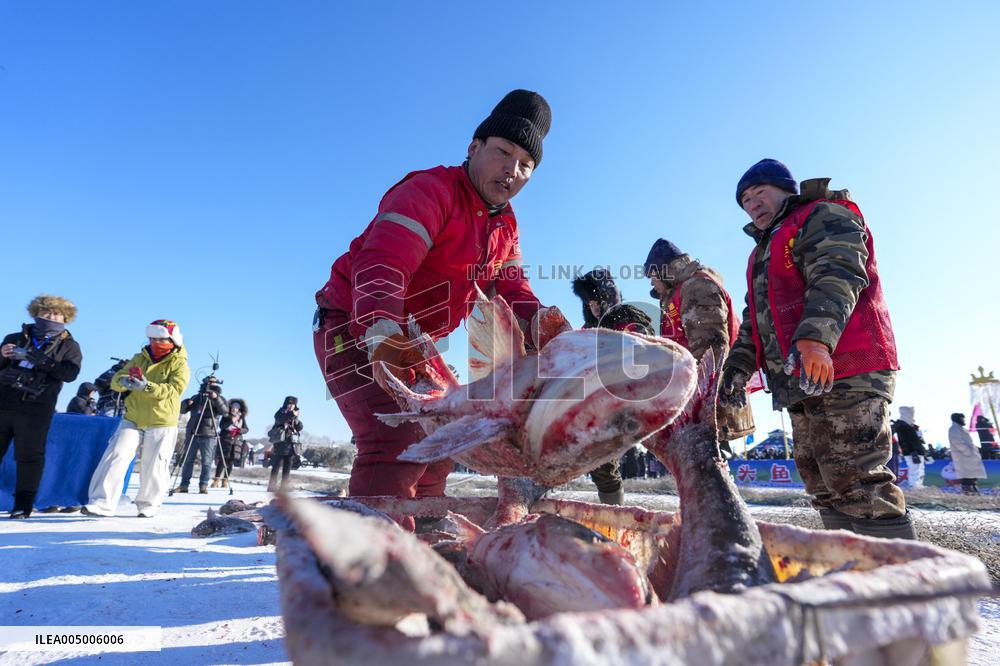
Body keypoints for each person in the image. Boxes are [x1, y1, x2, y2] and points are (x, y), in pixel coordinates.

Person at [312, 89, 571, 515]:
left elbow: (510, 287)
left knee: (442, 439)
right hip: (352, 324)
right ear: (474, 147)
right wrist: (381, 329)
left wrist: (542, 324)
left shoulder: (504, 225)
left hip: (417, 342)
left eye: (526, 165)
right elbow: (384, 262)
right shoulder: (431, 191)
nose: (513, 170)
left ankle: (430, 539)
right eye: (504, 152)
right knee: (395, 441)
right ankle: (368, 562)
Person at [721, 159, 914, 539]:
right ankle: (848, 573)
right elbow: (754, 319)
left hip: (844, 366)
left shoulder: (820, 214)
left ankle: (898, 584)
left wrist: (816, 338)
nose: (753, 204)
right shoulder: (762, 251)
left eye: (760, 193)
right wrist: (737, 368)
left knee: (857, 477)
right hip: (798, 377)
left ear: (786, 189)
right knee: (821, 482)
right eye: (745, 201)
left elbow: (838, 272)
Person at [644, 239, 755, 458]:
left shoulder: (696, 287)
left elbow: (709, 348)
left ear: (664, 270)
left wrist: (693, 398)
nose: (651, 284)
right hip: (695, 396)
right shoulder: (679, 291)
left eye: (652, 277)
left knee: (707, 460)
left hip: (705, 398)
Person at [83, 320, 189, 517]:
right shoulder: (139, 357)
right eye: (152, 339)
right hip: (132, 417)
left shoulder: (180, 364)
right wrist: (123, 381)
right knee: (116, 454)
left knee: (155, 464)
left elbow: (175, 391)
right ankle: (101, 502)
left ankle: (149, 504)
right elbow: (116, 380)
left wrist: (146, 387)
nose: (155, 342)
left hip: (161, 420)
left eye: (161, 339)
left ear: (173, 340)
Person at [570, 268, 653, 505]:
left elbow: (646, 354)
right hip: (598, 403)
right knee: (601, 463)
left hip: (637, 398)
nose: (594, 307)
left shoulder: (629, 317)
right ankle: (613, 510)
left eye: (597, 300)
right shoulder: (587, 330)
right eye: (589, 302)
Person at [0, 295, 82, 518]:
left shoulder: (69, 346)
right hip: (4, 401)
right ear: (35, 314)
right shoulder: (14, 337)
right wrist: (2, 355)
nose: (50, 317)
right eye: (45, 313)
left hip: (36, 407)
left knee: (29, 456)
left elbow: (70, 374)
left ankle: (23, 505)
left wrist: (42, 360)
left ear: (65, 318)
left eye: (56, 314)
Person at [177, 377, 227, 494]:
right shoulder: (197, 397)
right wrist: (186, 403)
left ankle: (203, 485)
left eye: (213, 382)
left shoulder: (220, 398)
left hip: (208, 433)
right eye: (209, 382)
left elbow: (224, 412)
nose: (210, 384)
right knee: (188, 460)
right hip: (193, 432)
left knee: (206, 461)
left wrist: (216, 398)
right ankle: (184, 485)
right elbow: (182, 410)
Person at [267, 396, 303, 492]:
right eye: (289, 404)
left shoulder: (294, 415)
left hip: (291, 444)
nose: (291, 406)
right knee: (276, 466)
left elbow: (300, 427)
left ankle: (283, 487)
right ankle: (271, 486)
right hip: (280, 443)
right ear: (286, 404)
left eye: (293, 404)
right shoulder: (280, 412)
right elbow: (280, 420)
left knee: (287, 468)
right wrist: (292, 414)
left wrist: (296, 419)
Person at [948, 413, 986, 494]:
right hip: (964, 457)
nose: (964, 420)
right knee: (967, 476)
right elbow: (958, 443)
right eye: (962, 418)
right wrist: (967, 452)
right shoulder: (954, 429)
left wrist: (974, 451)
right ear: (957, 419)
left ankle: (973, 489)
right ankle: (968, 492)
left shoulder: (960, 428)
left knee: (971, 476)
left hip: (968, 458)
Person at [214, 398, 248, 488]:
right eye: (233, 407)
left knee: (230, 463)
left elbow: (246, 429)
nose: (234, 409)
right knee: (222, 461)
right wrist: (231, 421)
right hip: (226, 440)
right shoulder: (226, 416)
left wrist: (239, 430)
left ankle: (225, 480)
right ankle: (216, 480)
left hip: (236, 443)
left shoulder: (241, 418)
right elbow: (221, 426)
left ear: (239, 409)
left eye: (236, 408)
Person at [895, 406, 930, 489]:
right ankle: (914, 485)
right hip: (911, 452)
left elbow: (918, 440)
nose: (913, 415)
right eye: (911, 413)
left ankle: (918, 484)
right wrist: (912, 452)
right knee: (914, 469)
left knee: (920, 469)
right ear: (906, 414)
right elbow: (903, 441)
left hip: (917, 450)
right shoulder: (902, 425)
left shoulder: (910, 425)